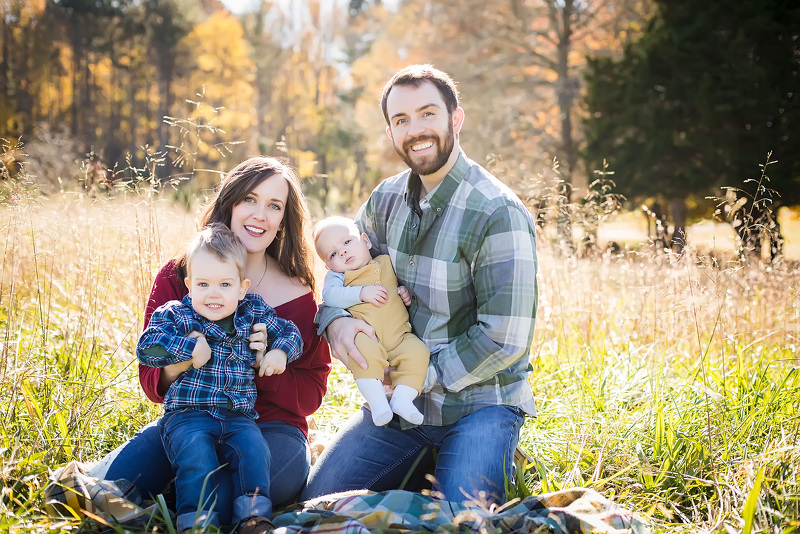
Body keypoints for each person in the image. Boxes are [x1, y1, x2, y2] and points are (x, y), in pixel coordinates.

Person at [303, 64, 538, 505]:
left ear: (456, 118)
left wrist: (419, 376)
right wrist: (335, 321)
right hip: (400, 410)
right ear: (391, 133)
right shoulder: (384, 200)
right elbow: (338, 271)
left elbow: (505, 340)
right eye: (401, 120)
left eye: (428, 113)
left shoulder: (496, 212)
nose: (416, 129)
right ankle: (425, 465)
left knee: (459, 520)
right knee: (319, 504)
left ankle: (478, 455)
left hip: (480, 403)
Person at [86, 156, 331, 529]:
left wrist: (263, 362)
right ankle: (182, 496)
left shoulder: (298, 297)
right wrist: (187, 357)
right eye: (249, 199)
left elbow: (311, 394)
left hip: (270, 428)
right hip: (191, 418)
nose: (260, 215)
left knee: (274, 477)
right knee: (112, 484)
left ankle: (188, 501)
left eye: (274, 206)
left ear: (284, 220)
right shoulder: (181, 275)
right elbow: (151, 382)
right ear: (229, 202)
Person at [137, 224, 303, 532]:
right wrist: (187, 349)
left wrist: (278, 353)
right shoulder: (176, 315)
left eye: (225, 285)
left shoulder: (253, 312)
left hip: (239, 416)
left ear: (242, 287)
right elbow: (147, 348)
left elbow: (291, 333)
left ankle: (252, 517)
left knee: (255, 452)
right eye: (203, 284)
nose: (213, 294)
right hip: (189, 415)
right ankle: (198, 523)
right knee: (197, 458)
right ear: (189, 285)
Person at [313, 216, 429, 426]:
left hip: (400, 336)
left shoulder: (385, 261)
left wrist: (401, 292)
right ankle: (377, 403)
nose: (342, 252)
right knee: (363, 357)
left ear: (365, 241)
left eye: (347, 242)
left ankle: (403, 399)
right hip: (368, 336)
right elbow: (329, 296)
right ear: (328, 266)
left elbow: (395, 286)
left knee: (419, 353)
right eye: (333, 254)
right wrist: (361, 293)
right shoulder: (339, 278)